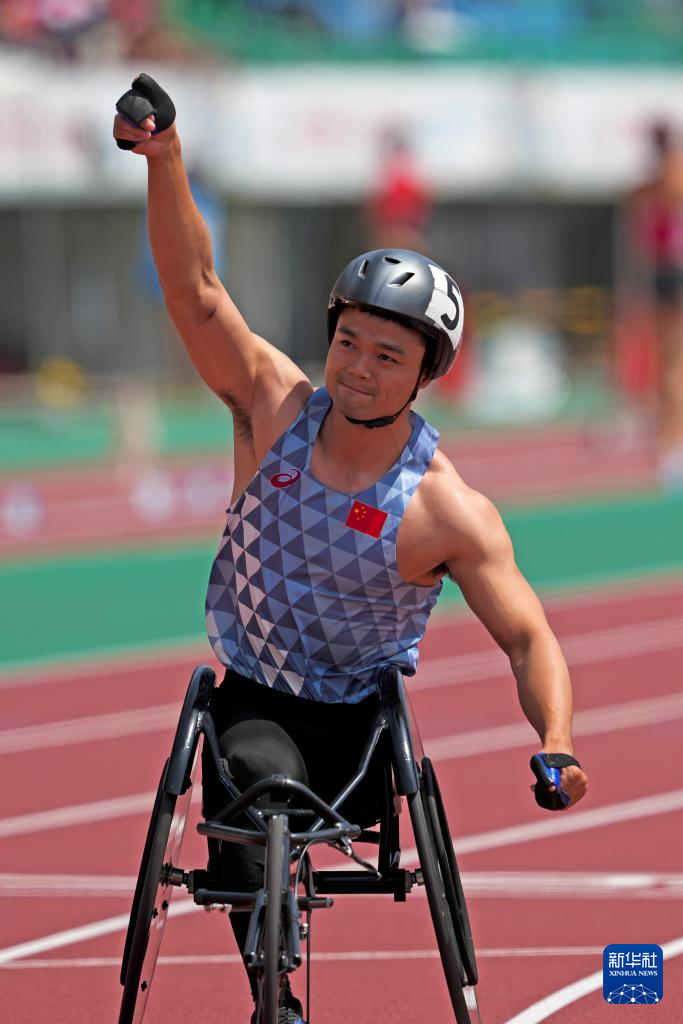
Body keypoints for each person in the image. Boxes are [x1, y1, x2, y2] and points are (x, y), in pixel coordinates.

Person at [114, 74, 589, 1024]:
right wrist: (164, 159)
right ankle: (275, 986)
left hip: (359, 732)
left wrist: (556, 742)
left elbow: (527, 637)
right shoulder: (273, 409)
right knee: (254, 776)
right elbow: (195, 291)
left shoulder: (447, 511)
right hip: (252, 699)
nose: (359, 368)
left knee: (289, 778)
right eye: (350, 342)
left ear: (425, 372)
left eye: (388, 355)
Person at [623, 120, 683, 488]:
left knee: (674, 367)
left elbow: (667, 193)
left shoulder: (672, 170)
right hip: (661, 270)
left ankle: (674, 442)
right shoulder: (657, 174)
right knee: (664, 367)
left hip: (675, 270)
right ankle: (667, 439)